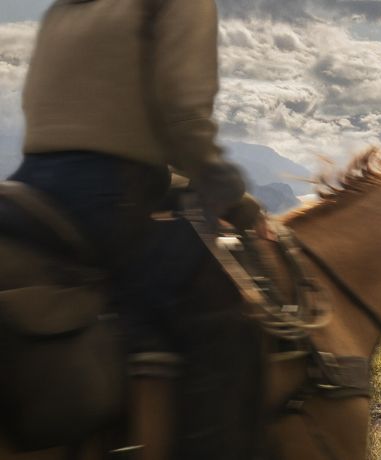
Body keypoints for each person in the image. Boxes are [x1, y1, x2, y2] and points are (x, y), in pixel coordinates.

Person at [9, 0, 262, 456]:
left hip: (28, 192)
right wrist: (236, 200)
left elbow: (70, 123)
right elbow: (184, 117)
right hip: (110, 196)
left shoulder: (64, 10)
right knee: (224, 308)